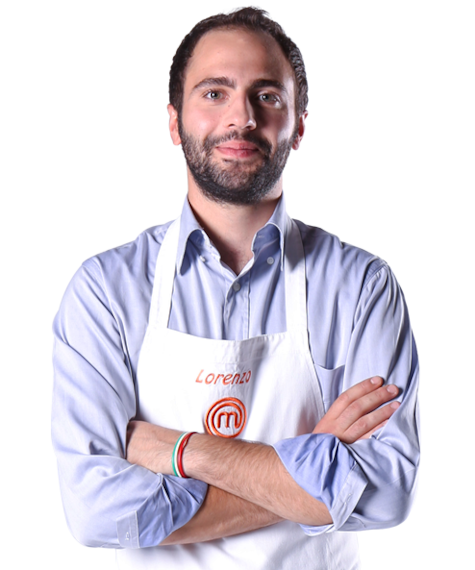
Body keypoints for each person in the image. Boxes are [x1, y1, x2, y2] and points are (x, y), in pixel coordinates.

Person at [49, 4, 422, 569]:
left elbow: (388, 493)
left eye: (266, 95)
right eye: (214, 93)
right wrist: (312, 470)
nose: (241, 117)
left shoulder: (362, 286)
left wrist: (179, 451)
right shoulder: (104, 290)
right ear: (174, 122)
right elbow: (95, 514)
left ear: (300, 125)